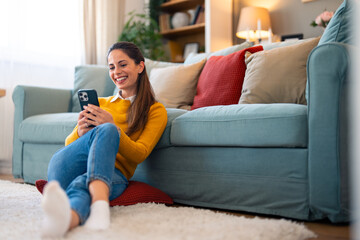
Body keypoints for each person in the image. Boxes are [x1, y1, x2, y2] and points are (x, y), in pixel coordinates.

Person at [41, 41, 167, 238]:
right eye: (111, 67)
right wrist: (80, 133)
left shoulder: (155, 110)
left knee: (82, 184)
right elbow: (69, 145)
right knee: (106, 130)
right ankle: (100, 207)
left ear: (140, 66)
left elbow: (140, 153)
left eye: (123, 64)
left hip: (113, 174)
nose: (116, 71)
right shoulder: (100, 103)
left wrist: (114, 128)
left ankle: (66, 221)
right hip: (64, 167)